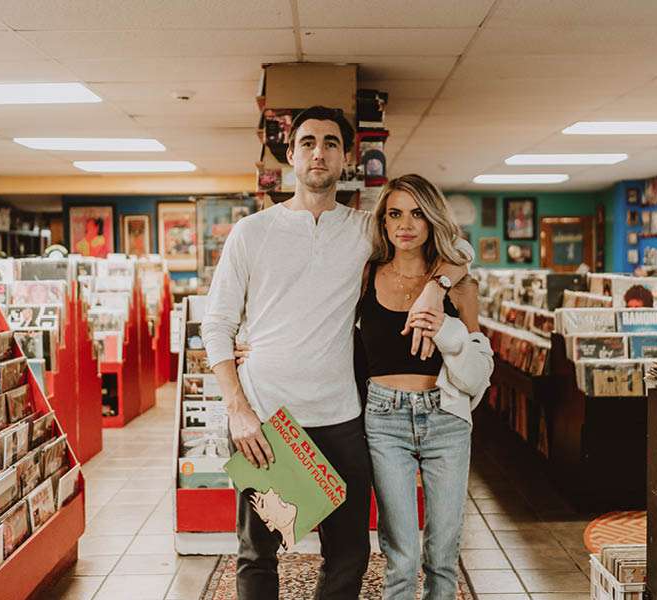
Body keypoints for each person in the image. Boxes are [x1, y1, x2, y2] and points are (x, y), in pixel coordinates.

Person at [201, 106, 471, 600]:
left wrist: (437, 286)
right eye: (308, 142)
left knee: (348, 553)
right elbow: (216, 324)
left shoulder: (367, 230)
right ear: (291, 153)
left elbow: (456, 247)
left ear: (346, 157)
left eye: (330, 143)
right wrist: (236, 409)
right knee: (258, 554)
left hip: (343, 417)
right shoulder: (251, 232)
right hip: (266, 416)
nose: (318, 152)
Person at [358, 174, 494, 600]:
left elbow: (479, 375)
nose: (406, 224)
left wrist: (448, 330)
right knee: (400, 556)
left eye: (418, 213)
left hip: (446, 417)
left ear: (432, 219)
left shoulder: (459, 285)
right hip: (383, 419)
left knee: (443, 552)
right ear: (382, 222)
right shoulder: (365, 276)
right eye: (395, 213)